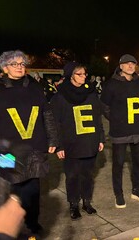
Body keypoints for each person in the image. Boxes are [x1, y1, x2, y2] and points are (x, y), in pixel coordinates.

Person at [0, 50, 57, 235]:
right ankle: (10, 226)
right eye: (15, 64)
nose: (20, 67)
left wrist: (52, 138)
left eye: (22, 63)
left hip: (34, 147)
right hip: (6, 151)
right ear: (5, 68)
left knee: (33, 188)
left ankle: (32, 222)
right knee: (9, 187)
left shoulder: (34, 87)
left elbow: (46, 114)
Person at [50, 62, 105, 220]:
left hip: (89, 140)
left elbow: (97, 118)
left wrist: (100, 138)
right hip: (70, 143)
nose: (83, 77)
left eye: (84, 74)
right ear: (70, 76)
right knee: (73, 176)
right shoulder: (60, 97)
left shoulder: (91, 93)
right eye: (79, 74)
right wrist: (59, 145)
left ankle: (87, 201)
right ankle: (74, 204)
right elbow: (56, 123)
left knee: (88, 175)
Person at [100, 54, 139, 208]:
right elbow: (104, 106)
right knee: (118, 164)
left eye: (133, 64)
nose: (130, 66)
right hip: (120, 131)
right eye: (127, 64)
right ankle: (119, 194)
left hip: (138, 130)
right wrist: (116, 119)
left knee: (138, 163)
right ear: (120, 66)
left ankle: (137, 189)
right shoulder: (111, 84)